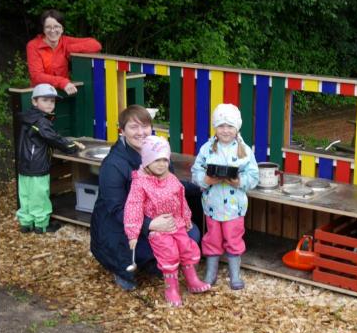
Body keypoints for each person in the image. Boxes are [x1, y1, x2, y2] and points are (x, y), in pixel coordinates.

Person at [90, 105, 202, 291]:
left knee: (192, 233)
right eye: (134, 127)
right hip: (119, 226)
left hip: (157, 216)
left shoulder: (155, 151)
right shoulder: (113, 165)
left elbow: (172, 183)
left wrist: (202, 188)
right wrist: (150, 224)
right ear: (122, 131)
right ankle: (123, 267)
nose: (141, 132)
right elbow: (115, 209)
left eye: (145, 126)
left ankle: (161, 264)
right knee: (146, 249)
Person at [124, 136, 210, 307]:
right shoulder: (140, 183)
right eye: (156, 160)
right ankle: (171, 288)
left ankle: (192, 280)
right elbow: (133, 208)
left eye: (164, 159)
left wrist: (186, 218)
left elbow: (181, 198)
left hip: (176, 223)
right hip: (159, 229)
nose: (161, 164)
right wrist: (132, 233)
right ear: (147, 160)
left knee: (186, 248)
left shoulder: (170, 177)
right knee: (169, 254)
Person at [191, 104, 259, 290]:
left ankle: (235, 274)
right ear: (215, 127)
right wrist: (206, 179)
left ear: (237, 127)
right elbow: (196, 171)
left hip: (234, 207)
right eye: (221, 126)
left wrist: (238, 181)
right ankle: (210, 273)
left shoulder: (244, 150)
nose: (225, 130)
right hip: (212, 206)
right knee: (212, 238)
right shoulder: (207, 149)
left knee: (233, 238)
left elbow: (254, 176)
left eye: (230, 126)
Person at [16, 83, 85, 234]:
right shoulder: (41, 121)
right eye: (45, 100)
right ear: (34, 101)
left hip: (24, 163)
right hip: (37, 164)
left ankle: (26, 222)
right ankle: (41, 224)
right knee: (40, 194)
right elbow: (53, 138)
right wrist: (71, 147)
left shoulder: (29, 117)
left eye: (52, 101)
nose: (49, 104)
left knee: (26, 194)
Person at [26, 9, 102, 96]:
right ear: (43, 29)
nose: (52, 30)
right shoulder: (33, 45)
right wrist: (62, 82)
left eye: (56, 26)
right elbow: (37, 76)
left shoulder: (66, 41)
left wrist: (70, 49)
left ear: (62, 29)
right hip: (42, 95)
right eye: (48, 27)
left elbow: (95, 44)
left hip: (63, 92)